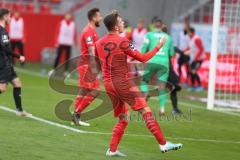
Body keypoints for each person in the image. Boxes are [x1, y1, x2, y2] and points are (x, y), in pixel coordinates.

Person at [95, 11, 182, 157]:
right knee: (146, 111)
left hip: (109, 84)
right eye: (121, 22)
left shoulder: (99, 43)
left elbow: (102, 64)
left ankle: (112, 149)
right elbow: (142, 58)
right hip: (123, 83)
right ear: (116, 27)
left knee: (123, 117)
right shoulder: (123, 41)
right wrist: (158, 47)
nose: (124, 24)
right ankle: (163, 144)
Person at [72, 8, 103, 126]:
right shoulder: (88, 31)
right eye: (99, 16)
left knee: (84, 90)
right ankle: (76, 113)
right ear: (94, 18)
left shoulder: (93, 31)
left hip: (87, 65)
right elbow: (91, 51)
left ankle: (75, 117)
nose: (100, 18)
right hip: (87, 65)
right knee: (95, 91)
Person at [140, 19, 175, 116]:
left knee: (144, 80)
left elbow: (143, 48)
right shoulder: (168, 37)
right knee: (162, 86)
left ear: (153, 25)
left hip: (151, 60)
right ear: (162, 26)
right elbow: (171, 53)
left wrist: (141, 59)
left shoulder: (149, 35)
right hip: (164, 63)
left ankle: (146, 92)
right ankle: (162, 109)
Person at [0, 9, 30, 116]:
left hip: (7, 63)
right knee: (2, 89)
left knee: (17, 83)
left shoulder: (3, 30)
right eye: (9, 16)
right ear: (4, 17)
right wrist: (19, 56)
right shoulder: (1, 31)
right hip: (3, 64)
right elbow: (5, 48)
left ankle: (19, 110)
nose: (10, 18)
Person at [161, 24, 182, 114]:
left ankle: (141, 107)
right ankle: (175, 109)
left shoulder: (154, 39)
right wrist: (182, 53)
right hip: (167, 68)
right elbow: (172, 52)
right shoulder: (168, 39)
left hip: (156, 66)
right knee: (175, 87)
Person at [185, 27, 204, 92]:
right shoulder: (191, 39)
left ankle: (200, 86)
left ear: (191, 32)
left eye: (188, 32)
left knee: (193, 71)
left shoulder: (197, 39)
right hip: (193, 58)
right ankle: (193, 86)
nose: (187, 33)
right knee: (191, 71)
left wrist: (196, 58)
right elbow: (193, 49)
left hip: (199, 58)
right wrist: (187, 51)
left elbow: (201, 49)